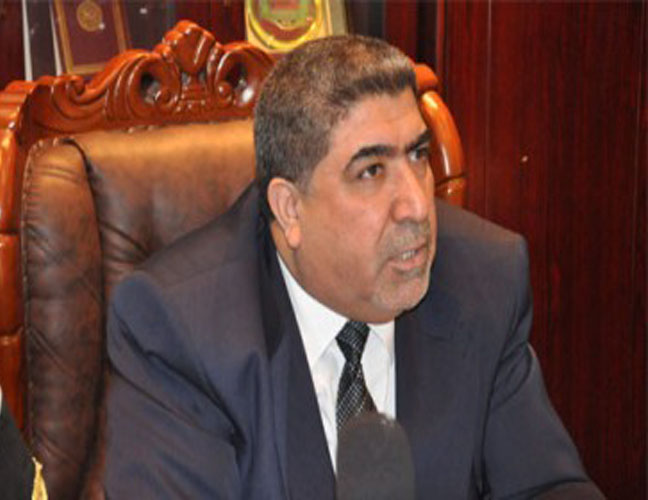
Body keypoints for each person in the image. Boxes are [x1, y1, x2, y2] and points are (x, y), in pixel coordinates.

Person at [104, 35, 602, 499]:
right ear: (289, 209)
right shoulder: (178, 329)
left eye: (418, 155)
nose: (417, 205)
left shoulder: (484, 279)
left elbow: (547, 487)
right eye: (371, 171)